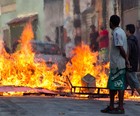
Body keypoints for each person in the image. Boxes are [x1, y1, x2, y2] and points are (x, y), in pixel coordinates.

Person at [101, 15, 130, 114]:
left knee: (119, 85)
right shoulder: (120, 31)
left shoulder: (117, 33)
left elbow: (120, 47)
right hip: (116, 63)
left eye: (109, 22)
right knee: (112, 86)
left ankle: (120, 107)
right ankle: (112, 106)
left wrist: (126, 59)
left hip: (118, 64)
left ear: (111, 23)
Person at [125, 24, 140, 95]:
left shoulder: (129, 41)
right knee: (126, 80)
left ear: (128, 31)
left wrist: (127, 62)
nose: (125, 32)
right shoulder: (135, 39)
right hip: (134, 63)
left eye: (126, 30)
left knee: (134, 81)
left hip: (130, 64)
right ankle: (120, 99)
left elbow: (128, 52)